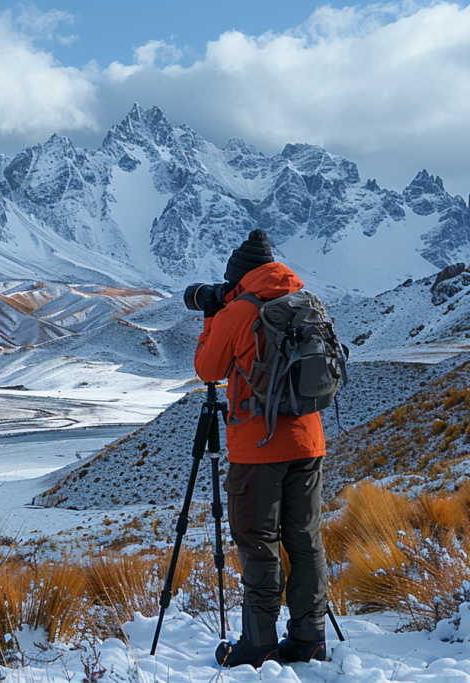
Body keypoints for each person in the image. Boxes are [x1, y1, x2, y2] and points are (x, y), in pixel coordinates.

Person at [194, 229, 328, 667]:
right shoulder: (305, 302)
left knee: (258, 542)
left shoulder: (241, 309)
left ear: (239, 278)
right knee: (305, 539)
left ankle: (259, 642)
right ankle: (310, 638)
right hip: (309, 441)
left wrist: (213, 315)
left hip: (258, 448)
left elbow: (207, 368)